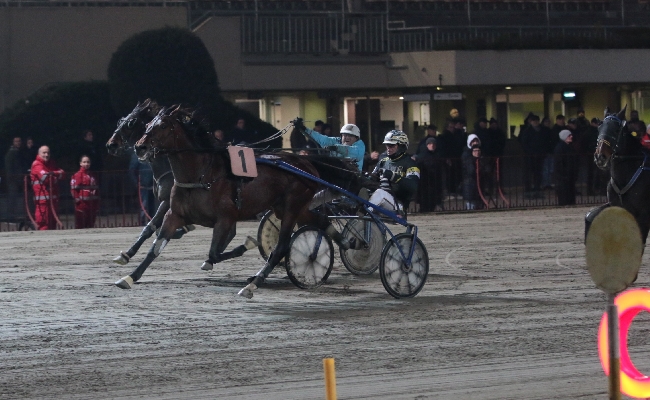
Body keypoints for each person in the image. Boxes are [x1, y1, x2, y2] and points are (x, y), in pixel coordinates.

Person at [369, 130, 420, 216]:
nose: (388, 148)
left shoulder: (410, 163)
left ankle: (364, 212)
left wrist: (394, 176)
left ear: (401, 146)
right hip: (381, 200)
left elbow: (413, 186)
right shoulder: (383, 162)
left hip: (398, 204)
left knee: (380, 193)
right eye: (387, 145)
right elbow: (371, 179)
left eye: (391, 145)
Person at [296, 120, 366, 171]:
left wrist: (336, 147)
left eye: (351, 136)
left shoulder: (360, 146)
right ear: (341, 136)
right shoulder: (336, 141)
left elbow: (351, 151)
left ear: (356, 138)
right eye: (345, 135)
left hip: (353, 179)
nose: (347, 137)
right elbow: (320, 138)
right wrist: (303, 129)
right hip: (334, 175)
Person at [31, 146, 64, 230]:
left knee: (53, 224)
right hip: (42, 202)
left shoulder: (51, 164)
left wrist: (53, 174)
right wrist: (55, 175)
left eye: (48, 153)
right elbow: (46, 179)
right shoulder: (37, 164)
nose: (46, 155)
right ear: (39, 154)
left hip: (53, 200)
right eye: (44, 153)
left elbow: (63, 174)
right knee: (43, 225)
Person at [518, 114, 547, 198]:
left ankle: (537, 188)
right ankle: (528, 190)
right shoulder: (527, 131)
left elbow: (545, 142)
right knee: (529, 173)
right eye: (534, 121)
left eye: (536, 120)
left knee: (538, 173)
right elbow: (524, 143)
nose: (535, 122)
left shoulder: (542, 130)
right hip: (529, 156)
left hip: (539, 155)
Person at [70, 155, 99, 229]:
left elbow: (96, 189)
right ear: (80, 163)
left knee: (91, 224)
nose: (86, 164)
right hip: (82, 204)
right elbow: (73, 189)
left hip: (92, 204)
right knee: (80, 225)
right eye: (84, 162)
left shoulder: (92, 175)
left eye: (88, 162)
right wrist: (78, 200)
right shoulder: (77, 175)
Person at [415, 137, 444, 212]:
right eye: (430, 144)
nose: (432, 145)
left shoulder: (438, 154)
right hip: (425, 181)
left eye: (433, 144)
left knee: (433, 200)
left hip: (435, 181)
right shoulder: (422, 155)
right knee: (424, 200)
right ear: (427, 145)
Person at [129, 152, 157, 226]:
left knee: (152, 205)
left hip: (152, 184)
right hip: (143, 184)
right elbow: (132, 170)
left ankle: (151, 222)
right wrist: (137, 183)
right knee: (144, 205)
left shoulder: (153, 154)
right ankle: (143, 223)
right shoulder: (137, 155)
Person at [554, 130, 578, 206]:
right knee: (564, 190)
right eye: (569, 135)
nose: (571, 137)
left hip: (569, 174)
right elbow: (559, 162)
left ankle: (570, 203)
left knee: (570, 190)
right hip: (564, 175)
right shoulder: (560, 148)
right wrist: (563, 172)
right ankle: (565, 204)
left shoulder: (570, 147)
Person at [462, 144, 490, 210]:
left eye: (478, 151)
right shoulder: (469, 161)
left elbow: (487, 170)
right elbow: (471, 172)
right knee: (471, 205)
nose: (477, 153)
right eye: (475, 151)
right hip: (471, 185)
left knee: (480, 205)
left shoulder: (482, 160)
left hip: (480, 185)